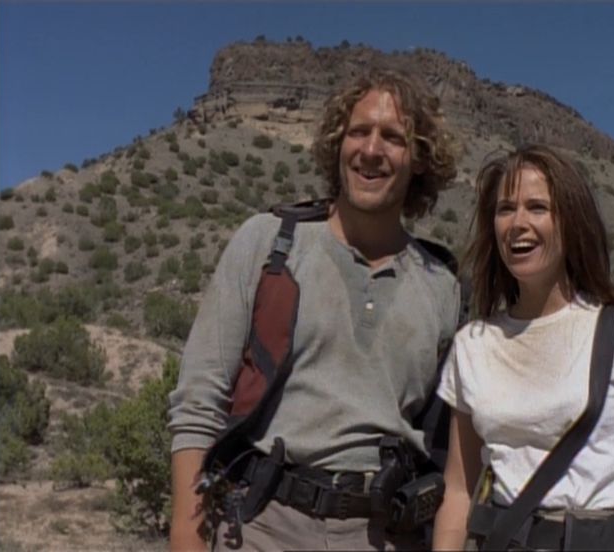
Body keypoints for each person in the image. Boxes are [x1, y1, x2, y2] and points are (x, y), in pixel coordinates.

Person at [168, 67, 461, 551]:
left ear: (420, 161)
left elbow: (447, 449)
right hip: (262, 525)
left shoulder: (444, 286)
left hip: (382, 532)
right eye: (358, 132)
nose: (371, 150)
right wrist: (186, 534)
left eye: (393, 137)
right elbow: (199, 400)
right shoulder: (269, 242)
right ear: (336, 145)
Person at [432, 144, 614, 550]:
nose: (518, 224)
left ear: (570, 221)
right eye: (505, 209)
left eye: (537, 207)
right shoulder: (473, 345)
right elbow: (459, 489)